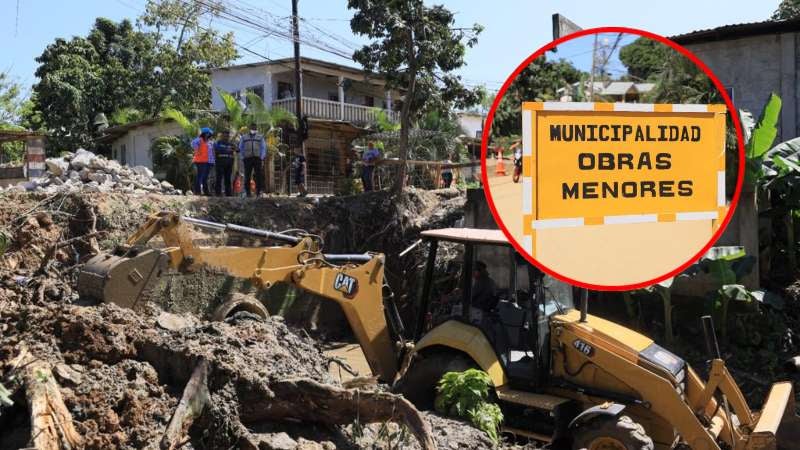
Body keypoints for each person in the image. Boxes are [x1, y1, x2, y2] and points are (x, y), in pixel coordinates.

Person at [239, 123, 266, 197]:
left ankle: (258, 192)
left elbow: (263, 148)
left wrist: (261, 157)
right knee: (247, 176)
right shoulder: (244, 137)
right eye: (252, 128)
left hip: (257, 158)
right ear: (249, 128)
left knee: (258, 175)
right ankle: (248, 192)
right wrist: (242, 157)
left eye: (254, 128)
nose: (253, 129)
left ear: (256, 128)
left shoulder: (260, 137)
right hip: (247, 159)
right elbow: (240, 147)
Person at [191, 127, 215, 196]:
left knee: (205, 178)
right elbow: (193, 144)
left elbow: (211, 153)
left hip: (208, 162)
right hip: (200, 161)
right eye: (208, 133)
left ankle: (206, 192)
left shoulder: (209, 142)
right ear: (204, 133)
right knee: (200, 177)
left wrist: (213, 162)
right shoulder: (199, 140)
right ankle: (197, 191)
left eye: (209, 134)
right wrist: (197, 149)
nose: (209, 135)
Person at [213, 130, 236, 196]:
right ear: (222, 136)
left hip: (229, 164)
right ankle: (218, 193)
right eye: (225, 135)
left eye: (227, 135)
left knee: (228, 179)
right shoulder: (218, 143)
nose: (226, 136)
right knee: (219, 178)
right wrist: (227, 149)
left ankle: (228, 193)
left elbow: (238, 150)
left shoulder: (231, 144)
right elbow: (217, 149)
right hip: (220, 163)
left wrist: (233, 148)